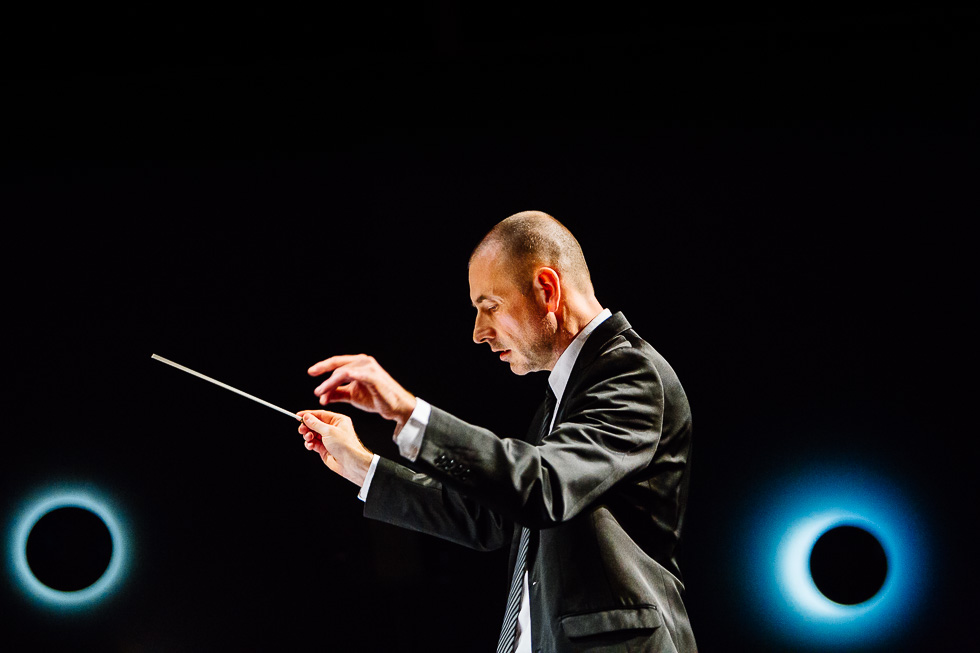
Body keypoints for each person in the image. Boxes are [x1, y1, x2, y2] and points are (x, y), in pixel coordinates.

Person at [297, 211, 696, 652]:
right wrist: (362, 466)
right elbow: (491, 517)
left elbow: (545, 486)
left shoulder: (631, 374)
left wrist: (409, 412)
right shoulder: (565, 394)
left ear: (547, 290)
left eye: (490, 306)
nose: (478, 333)